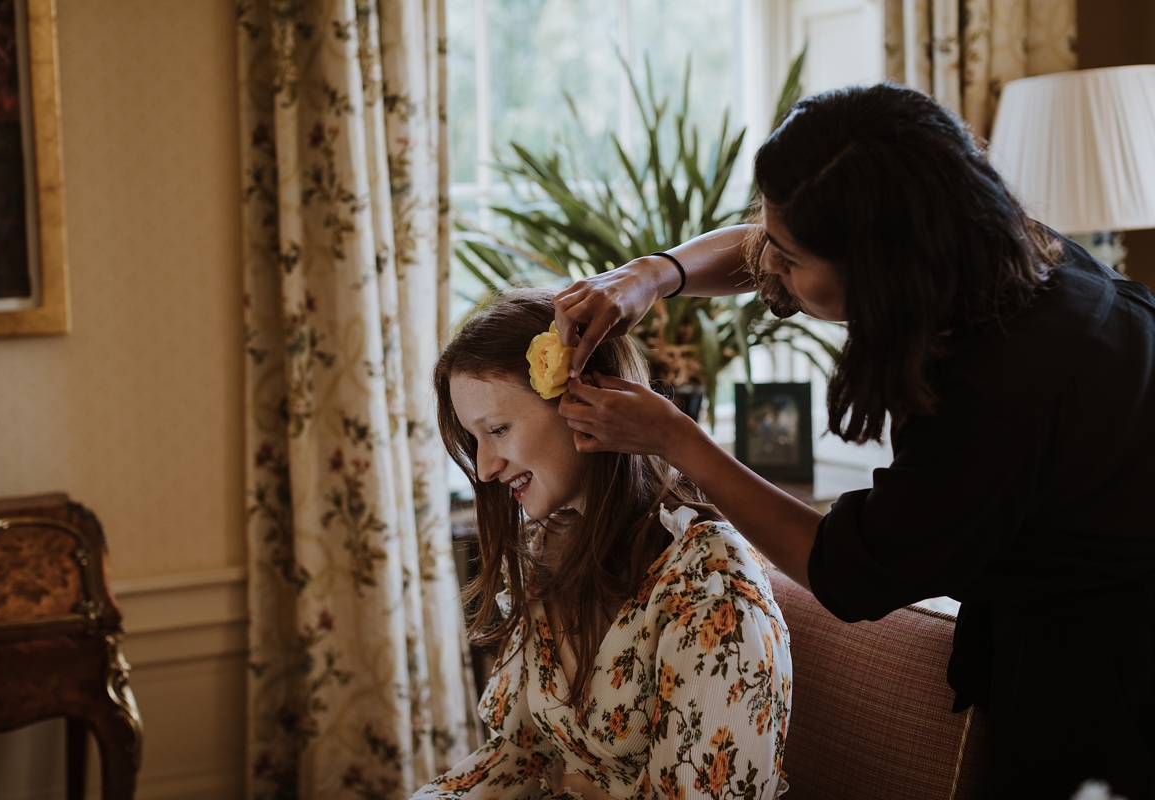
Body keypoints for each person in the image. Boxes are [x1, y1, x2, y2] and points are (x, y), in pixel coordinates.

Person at [552, 83, 1155, 798]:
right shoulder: (988, 254)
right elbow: (770, 251)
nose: (767, 263)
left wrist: (676, 438)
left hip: (1114, 671)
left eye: (790, 255)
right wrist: (653, 275)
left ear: (884, 272)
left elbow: (846, 572)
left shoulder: (998, 393)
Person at [418, 288, 791, 800]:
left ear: (587, 403)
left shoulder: (709, 590)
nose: (484, 468)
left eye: (499, 429)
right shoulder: (546, 551)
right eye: (475, 440)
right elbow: (521, 755)